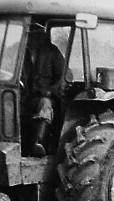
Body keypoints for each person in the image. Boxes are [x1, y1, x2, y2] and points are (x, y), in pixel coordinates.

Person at [20, 23, 65, 158]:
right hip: (26, 96)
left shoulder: (52, 52)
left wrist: (50, 90)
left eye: (36, 34)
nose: (32, 38)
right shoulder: (20, 53)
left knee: (45, 104)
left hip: (47, 96)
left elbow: (64, 78)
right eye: (30, 34)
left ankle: (39, 144)